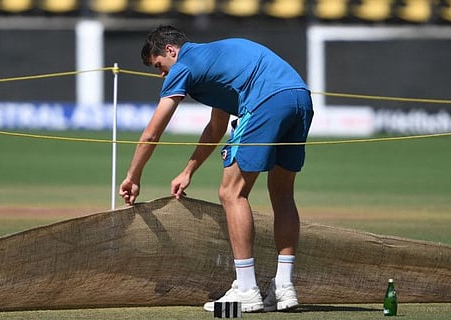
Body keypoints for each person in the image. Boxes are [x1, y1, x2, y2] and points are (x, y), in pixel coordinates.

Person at [119, 25, 314, 312]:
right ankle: (284, 288)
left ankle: (246, 289)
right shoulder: (214, 62)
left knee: (231, 193)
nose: (162, 75)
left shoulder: (184, 65)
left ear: (171, 51)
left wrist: (133, 177)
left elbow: (152, 132)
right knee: (282, 193)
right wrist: (188, 171)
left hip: (266, 101)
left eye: (159, 66)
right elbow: (216, 128)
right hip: (299, 98)